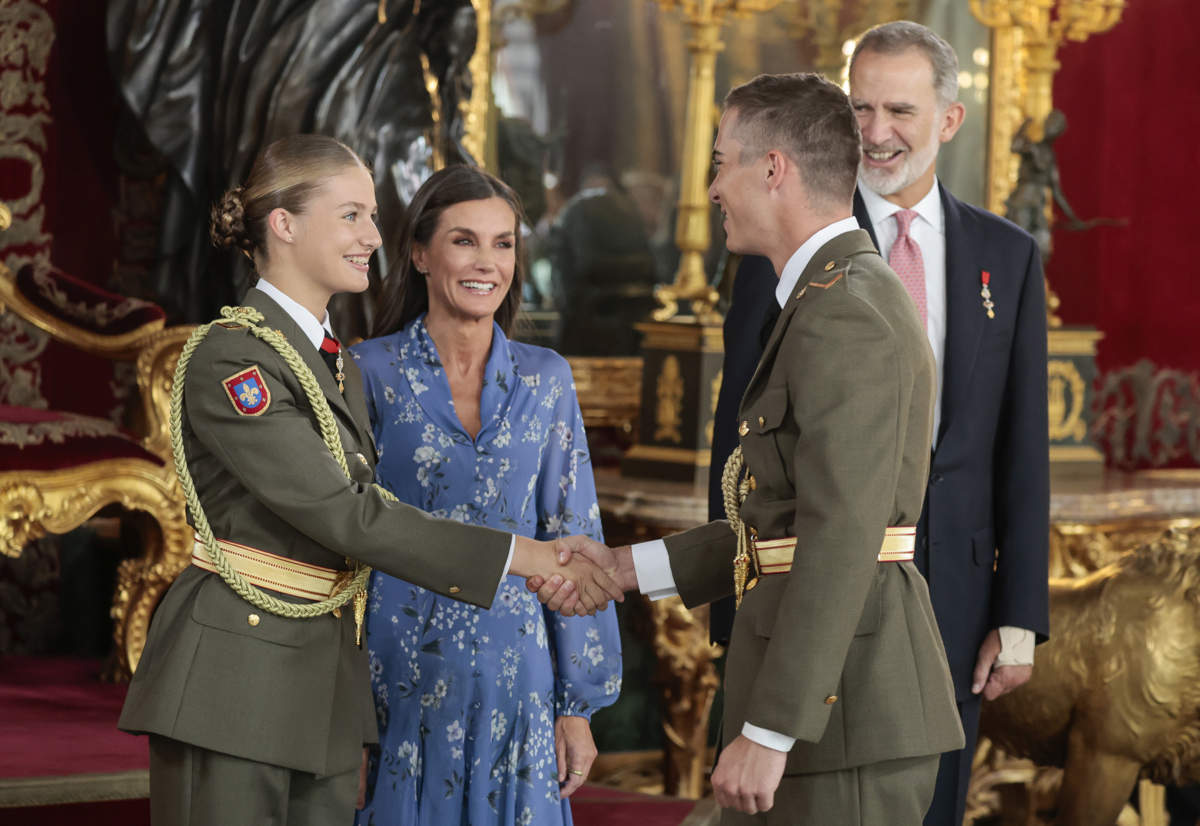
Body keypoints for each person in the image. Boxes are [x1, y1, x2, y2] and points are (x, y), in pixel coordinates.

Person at [117, 134, 620, 826]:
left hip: (329, 684)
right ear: (284, 224)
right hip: (240, 683)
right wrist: (528, 556)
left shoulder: (328, 365)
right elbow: (347, 516)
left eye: (373, 217)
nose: (371, 237)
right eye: (352, 215)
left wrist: (576, 695)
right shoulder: (236, 358)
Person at [544, 72, 964, 824]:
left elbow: (841, 534)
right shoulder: (826, 298)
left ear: (774, 169)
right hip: (824, 707)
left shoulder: (846, 311)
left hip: (841, 717)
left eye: (719, 161)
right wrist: (620, 568)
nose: (710, 189)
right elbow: (777, 530)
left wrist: (771, 730)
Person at [709, 22, 1051, 826]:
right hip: (801, 594)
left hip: (958, 597)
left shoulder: (1008, 252)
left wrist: (1020, 611)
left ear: (949, 120)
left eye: (899, 109)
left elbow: (1020, 444)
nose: (875, 132)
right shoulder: (781, 246)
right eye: (859, 107)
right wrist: (733, 604)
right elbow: (741, 439)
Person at [350, 165, 622, 825]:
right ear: (419, 253)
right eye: (465, 241)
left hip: (519, 675)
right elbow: (346, 531)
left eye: (503, 244)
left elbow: (574, 537)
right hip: (398, 673)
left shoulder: (547, 379)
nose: (487, 262)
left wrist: (574, 707)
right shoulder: (366, 370)